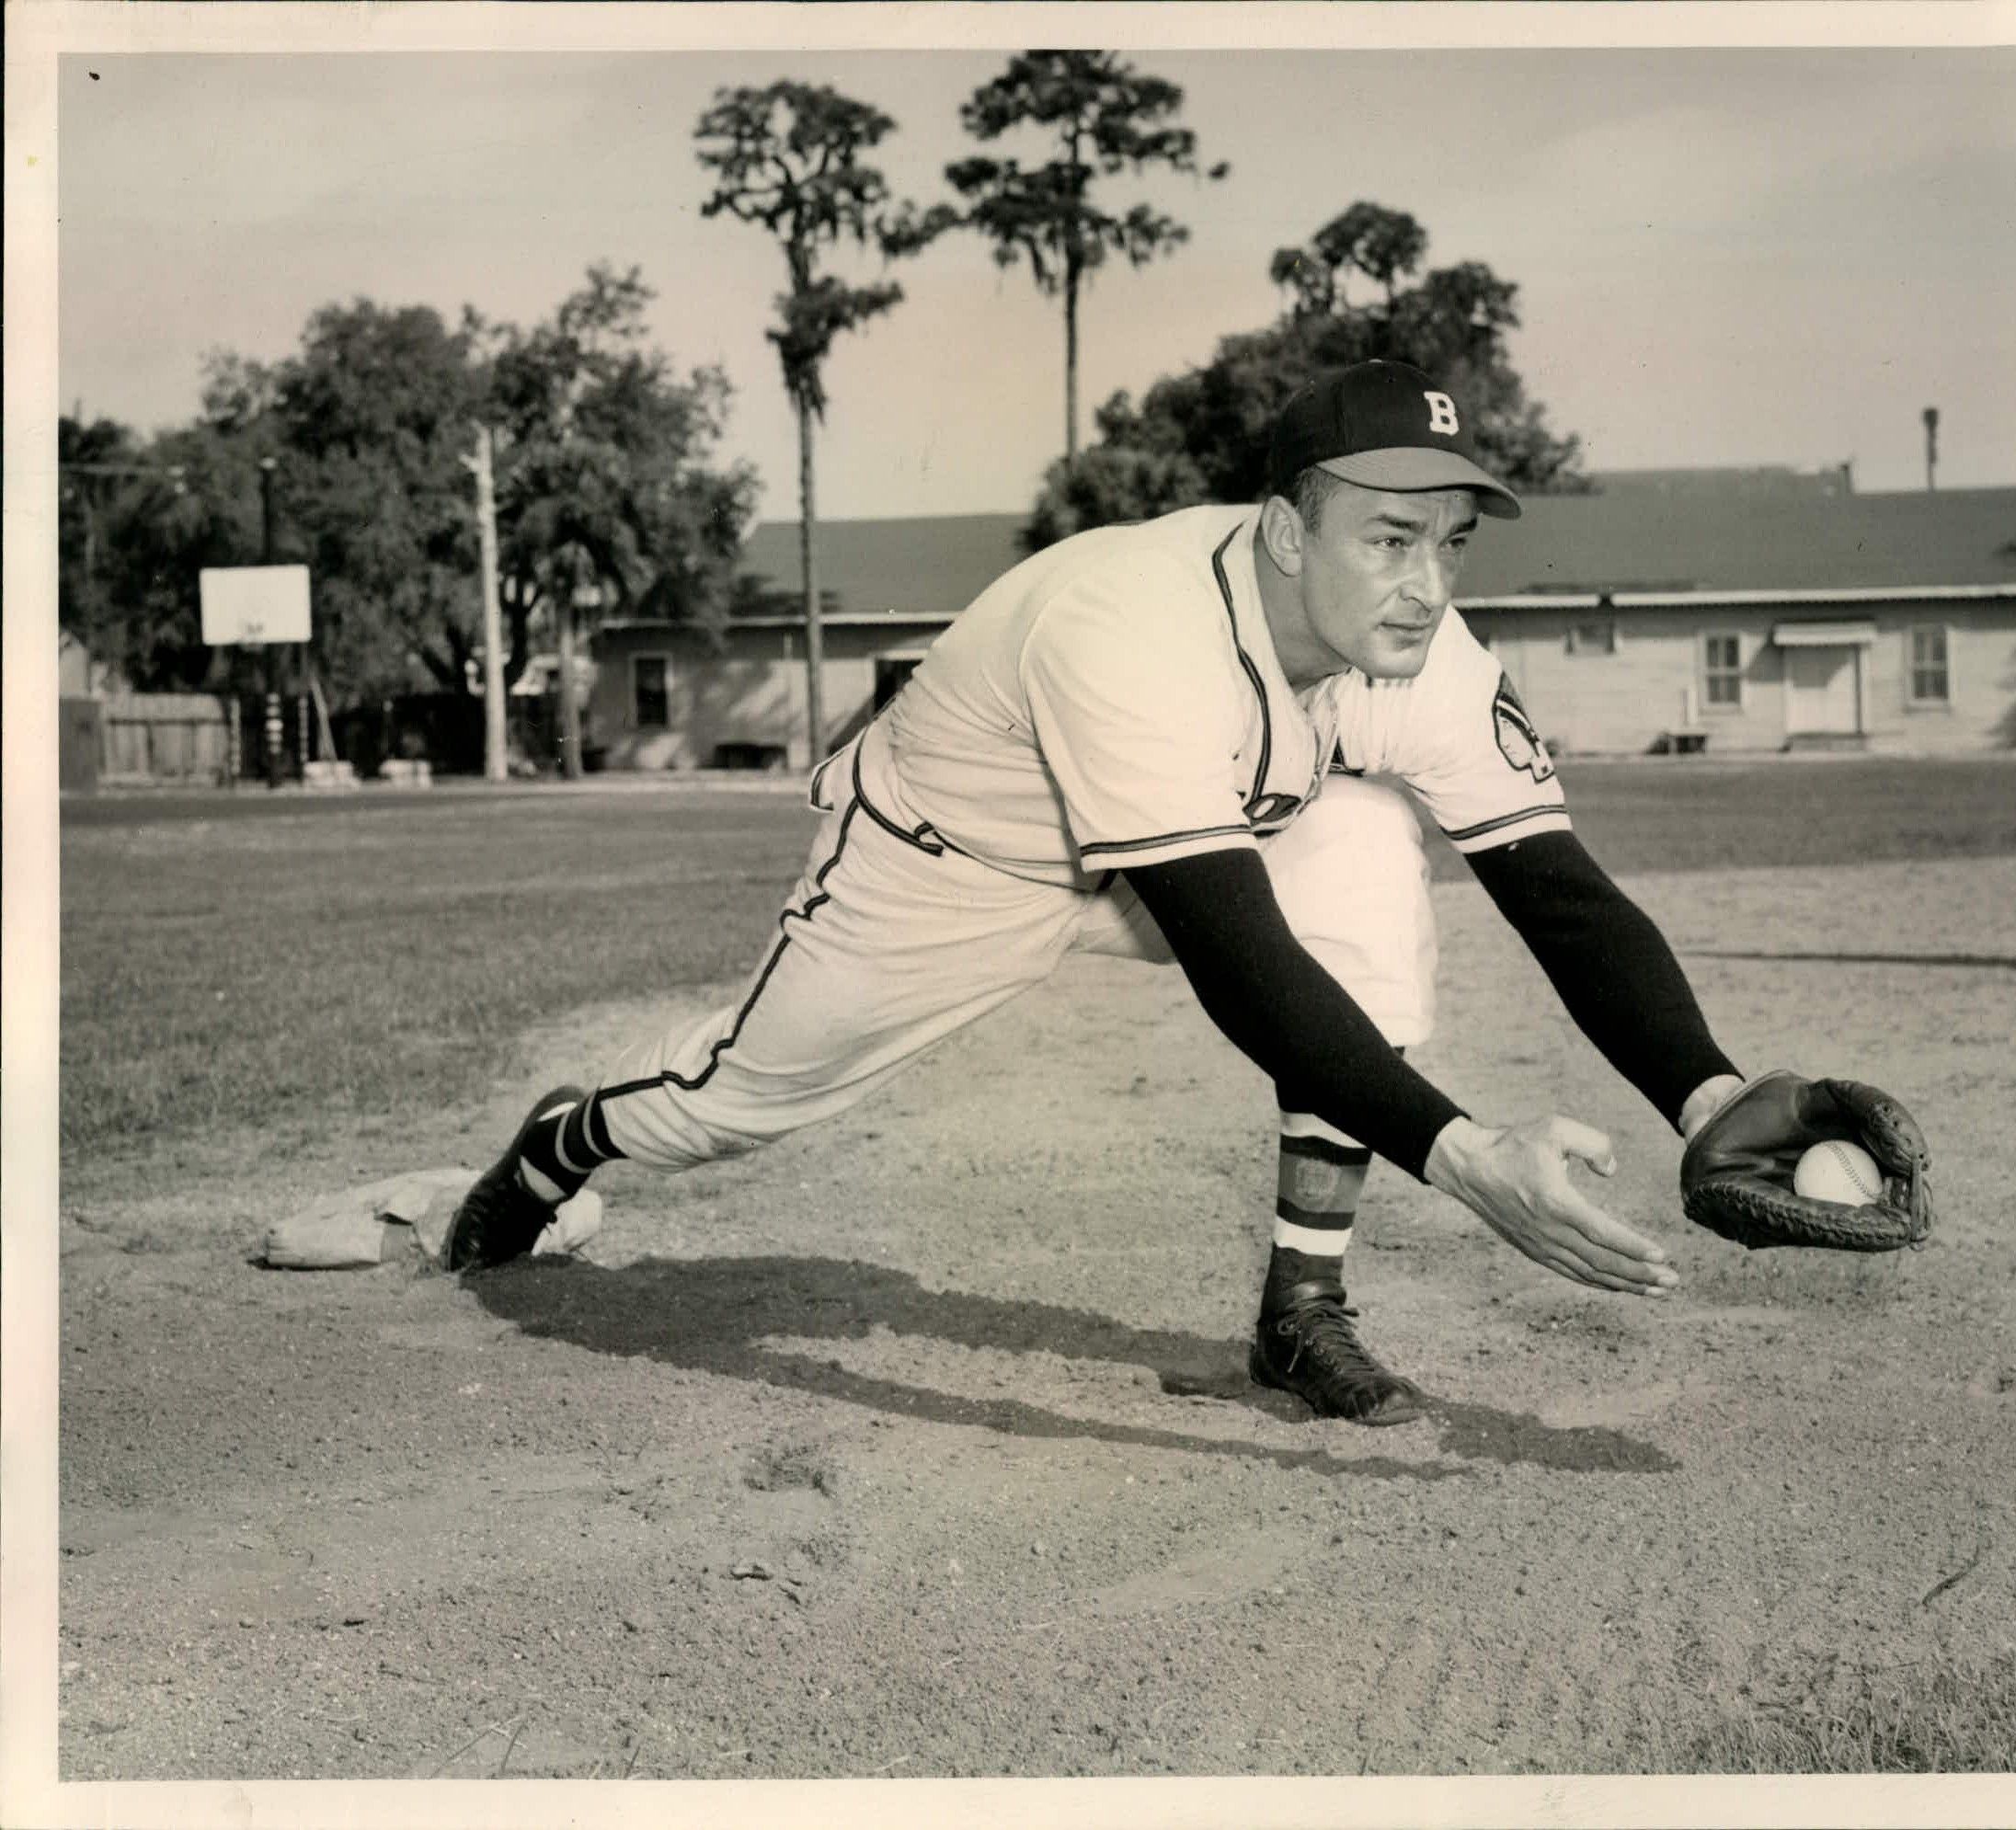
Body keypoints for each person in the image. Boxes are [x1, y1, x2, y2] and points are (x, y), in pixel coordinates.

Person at [444, 358, 1750, 1427]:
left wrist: (1715, 1097)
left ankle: (1299, 1317)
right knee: (733, 1100)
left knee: (1360, 846)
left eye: (1450, 543)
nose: (1426, 581)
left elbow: (1556, 892)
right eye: (1391, 537)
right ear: (1287, 531)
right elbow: (1242, 965)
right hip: (950, 863)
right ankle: (556, 1147)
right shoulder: (1133, 622)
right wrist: (1467, 1160)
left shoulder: (1419, 647)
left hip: (1190, 846)